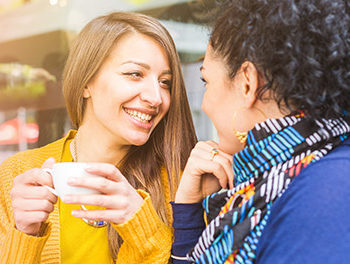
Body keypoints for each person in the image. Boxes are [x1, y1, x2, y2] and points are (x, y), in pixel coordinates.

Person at [0, 12, 196, 263]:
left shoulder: (178, 184)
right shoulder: (17, 174)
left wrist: (141, 226)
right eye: (135, 74)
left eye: (165, 82)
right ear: (86, 83)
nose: (156, 98)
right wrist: (24, 235)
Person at [171, 0, 350, 263]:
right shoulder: (289, 175)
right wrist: (188, 210)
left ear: (247, 84)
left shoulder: (327, 194)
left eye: (205, 81)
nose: (203, 103)